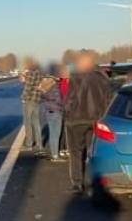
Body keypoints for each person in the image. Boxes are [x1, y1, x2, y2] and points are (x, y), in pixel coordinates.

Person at [64, 51, 113, 194]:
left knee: (76, 152)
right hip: (96, 119)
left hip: (76, 119)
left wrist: (66, 114)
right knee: (94, 152)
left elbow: (70, 99)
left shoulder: (76, 76)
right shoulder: (103, 77)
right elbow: (108, 99)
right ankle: (95, 182)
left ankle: (77, 183)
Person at [19, 60, 46, 153]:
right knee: (36, 122)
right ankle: (40, 144)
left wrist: (23, 97)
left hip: (29, 100)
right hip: (37, 100)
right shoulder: (40, 74)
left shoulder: (31, 74)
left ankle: (29, 144)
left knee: (27, 122)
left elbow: (28, 87)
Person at [41, 64, 65, 161]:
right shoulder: (54, 86)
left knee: (52, 134)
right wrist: (63, 106)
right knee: (56, 134)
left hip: (48, 111)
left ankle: (54, 153)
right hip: (56, 111)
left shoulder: (44, 85)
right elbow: (58, 100)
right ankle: (55, 155)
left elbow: (43, 97)